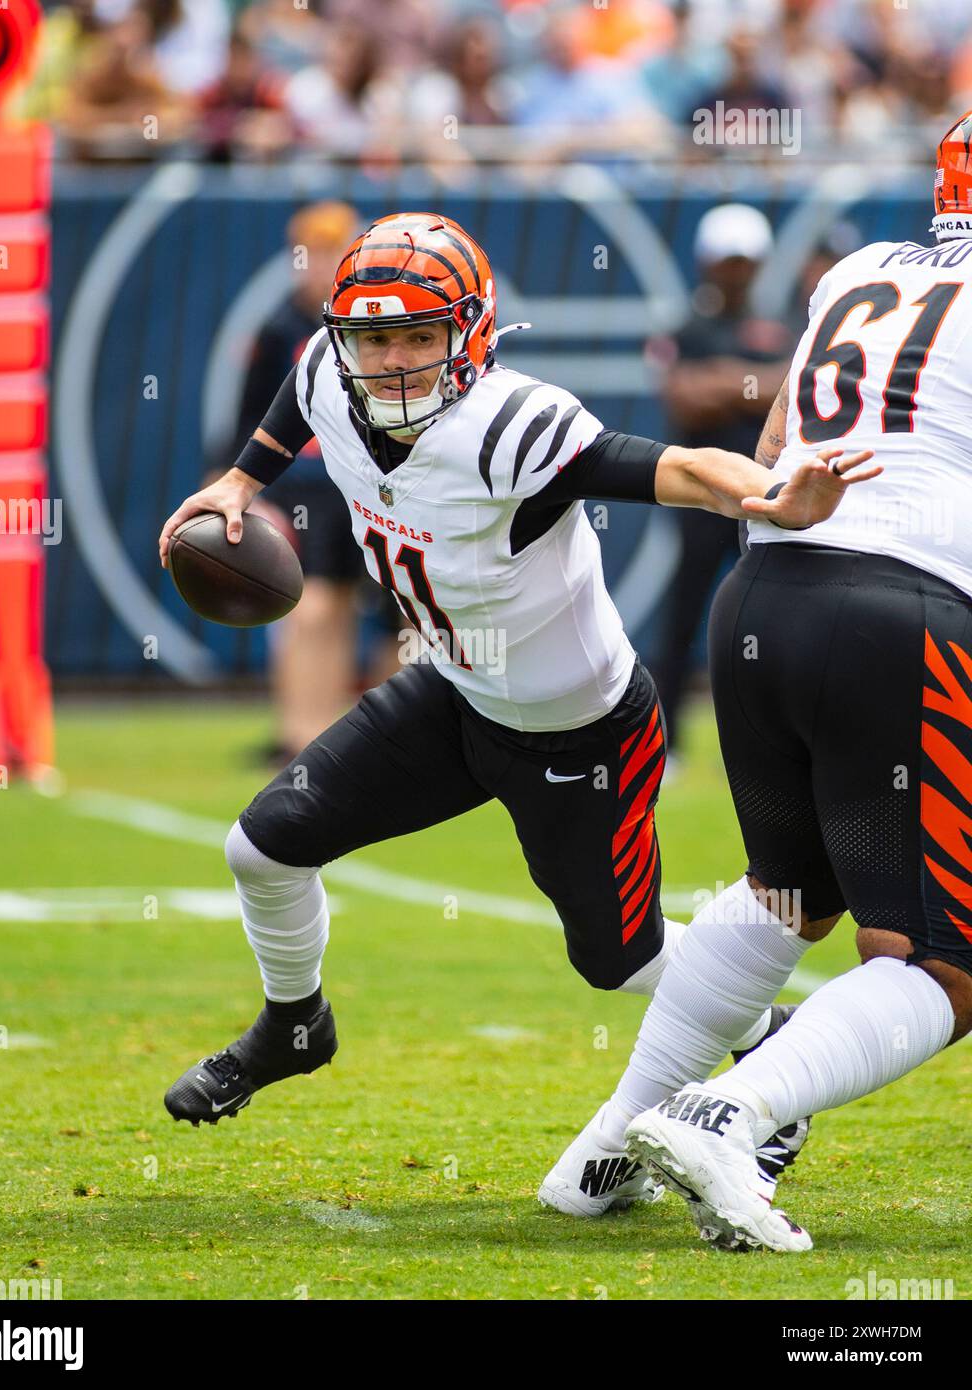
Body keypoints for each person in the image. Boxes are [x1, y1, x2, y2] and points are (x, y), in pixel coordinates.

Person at [156, 214, 874, 1209]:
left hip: (577, 733)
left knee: (614, 962)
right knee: (262, 846)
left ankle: (772, 1045)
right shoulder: (331, 367)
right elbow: (304, 388)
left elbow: (672, 466)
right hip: (451, 690)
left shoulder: (511, 427)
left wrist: (768, 498)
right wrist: (241, 476)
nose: (393, 359)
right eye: (374, 337)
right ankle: (295, 1025)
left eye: (418, 335)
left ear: (473, 332)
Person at [551, 109, 972, 1252]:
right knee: (943, 957)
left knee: (790, 890)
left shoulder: (864, 266)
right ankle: (727, 1113)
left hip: (764, 594)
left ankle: (601, 1146)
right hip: (899, 611)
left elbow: (783, 435)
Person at [224, 200, 401, 764]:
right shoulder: (279, 331)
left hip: (364, 487)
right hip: (303, 491)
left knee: (389, 613)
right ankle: (302, 734)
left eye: (330, 254)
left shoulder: (372, 328)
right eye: (310, 254)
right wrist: (243, 490)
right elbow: (246, 424)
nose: (317, 266)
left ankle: (369, 736)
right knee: (316, 608)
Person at [646, 204, 793, 768]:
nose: (736, 271)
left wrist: (722, 380)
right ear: (708, 262)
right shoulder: (686, 325)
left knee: (772, 618)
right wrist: (750, 382)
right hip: (699, 495)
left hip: (763, 492)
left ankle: (777, 745)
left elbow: (790, 386)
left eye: (745, 261)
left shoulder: (780, 318)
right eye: (728, 260)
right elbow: (684, 396)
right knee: (683, 612)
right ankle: (669, 743)